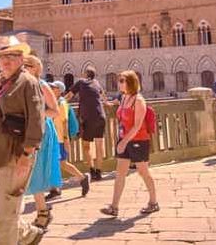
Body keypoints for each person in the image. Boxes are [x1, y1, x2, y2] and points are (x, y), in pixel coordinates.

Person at [0, 37, 46, 245]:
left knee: (6, 215)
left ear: (21, 59)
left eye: (12, 56)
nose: (6, 61)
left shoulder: (28, 82)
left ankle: (18, 237)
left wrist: (26, 155)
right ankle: (29, 234)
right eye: (3, 57)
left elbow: (36, 120)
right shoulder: (4, 84)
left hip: (15, 156)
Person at [100, 70, 158, 217]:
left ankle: (153, 202)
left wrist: (124, 142)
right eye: (119, 80)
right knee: (120, 173)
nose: (119, 83)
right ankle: (114, 206)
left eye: (121, 80)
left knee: (143, 172)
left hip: (138, 140)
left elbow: (137, 125)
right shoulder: (124, 97)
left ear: (130, 82)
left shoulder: (139, 100)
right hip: (124, 140)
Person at [23, 55, 63, 229]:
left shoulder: (42, 85)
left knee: (36, 172)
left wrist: (37, 114)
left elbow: (55, 111)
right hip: (26, 133)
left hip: (42, 133)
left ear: (35, 68)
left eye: (27, 65)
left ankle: (43, 212)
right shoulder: (23, 85)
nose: (23, 68)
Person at [45, 81, 90, 201]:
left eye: (53, 87)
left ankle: (81, 178)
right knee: (54, 163)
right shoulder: (54, 102)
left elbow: (64, 122)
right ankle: (55, 188)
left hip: (60, 138)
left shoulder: (62, 103)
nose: (51, 88)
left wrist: (66, 140)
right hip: (54, 137)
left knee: (62, 163)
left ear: (59, 90)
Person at [64, 67, 107, 181]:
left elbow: (69, 96)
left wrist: (58, 103)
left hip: (88, 118)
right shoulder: (97, 83)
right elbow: (104, 97)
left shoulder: (81, 82)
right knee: (99, 146)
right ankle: (99, 172)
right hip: (100, 116)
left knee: (86, 146)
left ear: (86, 74)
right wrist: (108, 103)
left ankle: (92, 170)